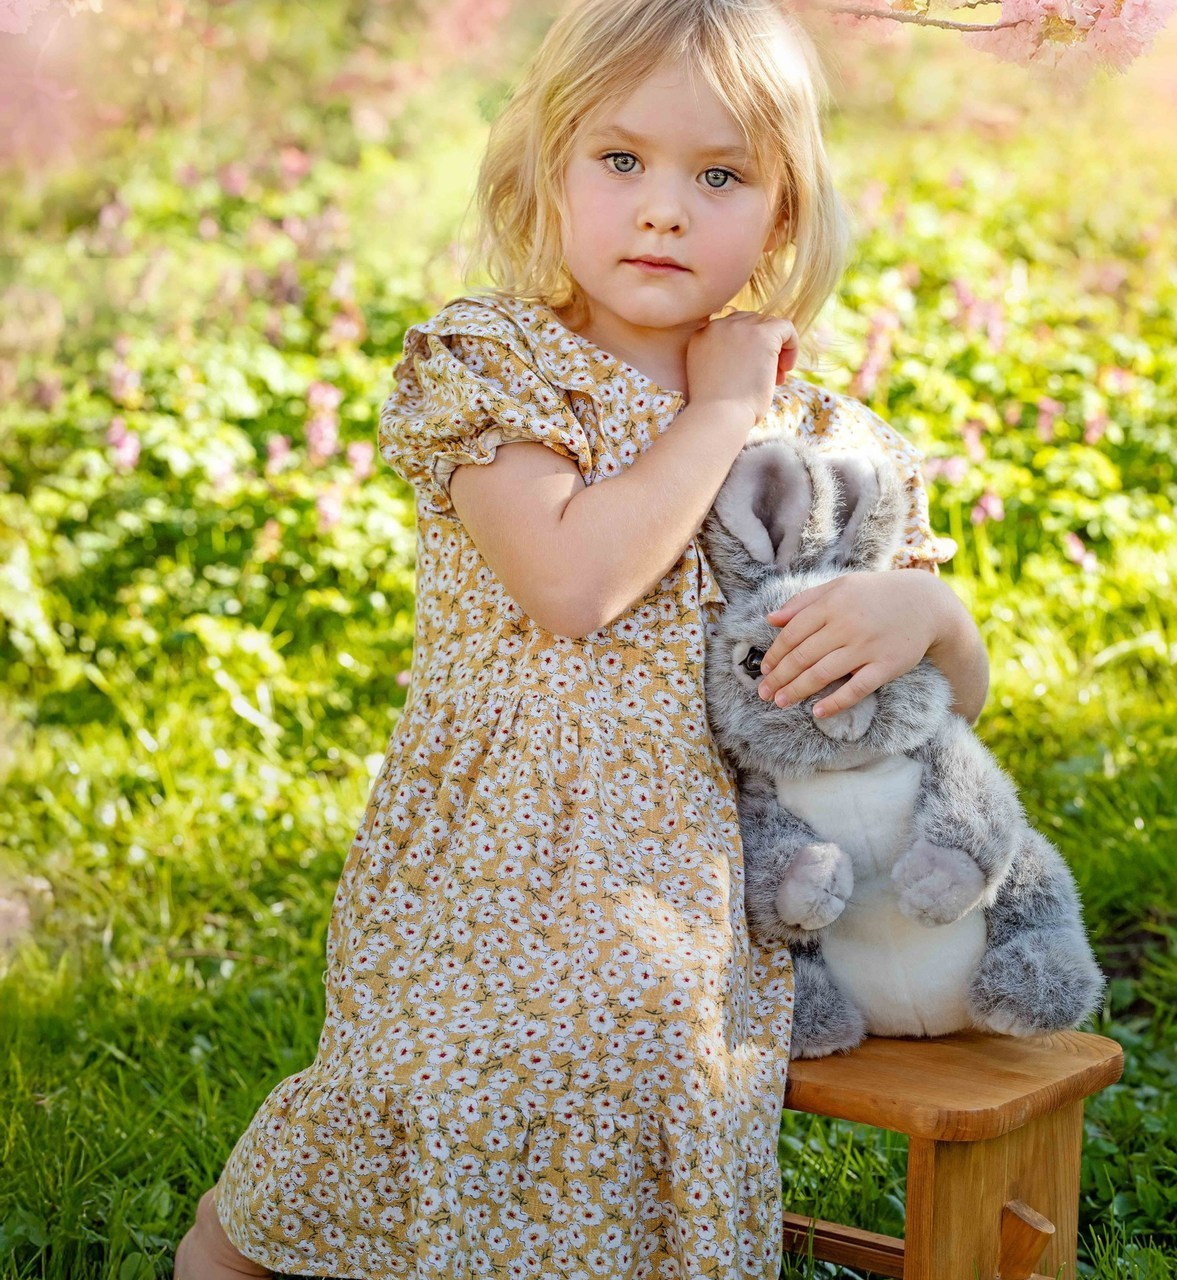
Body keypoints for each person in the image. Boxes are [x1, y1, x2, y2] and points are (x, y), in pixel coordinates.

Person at [175, 0, 988, 1275]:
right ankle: (234, 1251)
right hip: (488, 866)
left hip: (690, 888)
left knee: (647, 1065)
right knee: (432, 1088)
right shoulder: (499, 361)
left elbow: (946, 707)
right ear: (547, 169)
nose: (662, 207)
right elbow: (571, 580)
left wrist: (930, 615)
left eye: (718, 175)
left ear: (781, 214)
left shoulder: (825, 430)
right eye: (620, 160)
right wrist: (721, 408)